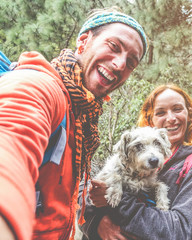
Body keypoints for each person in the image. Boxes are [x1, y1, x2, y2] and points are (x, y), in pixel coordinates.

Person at [0, 7, 147, 240]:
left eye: (131, 62)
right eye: (113, 46)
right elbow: (10, 146)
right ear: (84, 41)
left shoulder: (82, 116)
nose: (120, 64)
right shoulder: (42, 87)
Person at [79, 84, 192, 240]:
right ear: (150, 119)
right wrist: (97, 223)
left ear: (189, 114)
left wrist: (117, 203)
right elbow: (83, 194)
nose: (171, 118)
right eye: (161, 112)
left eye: (177, 109)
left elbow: (180, 232)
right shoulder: (129, 157)